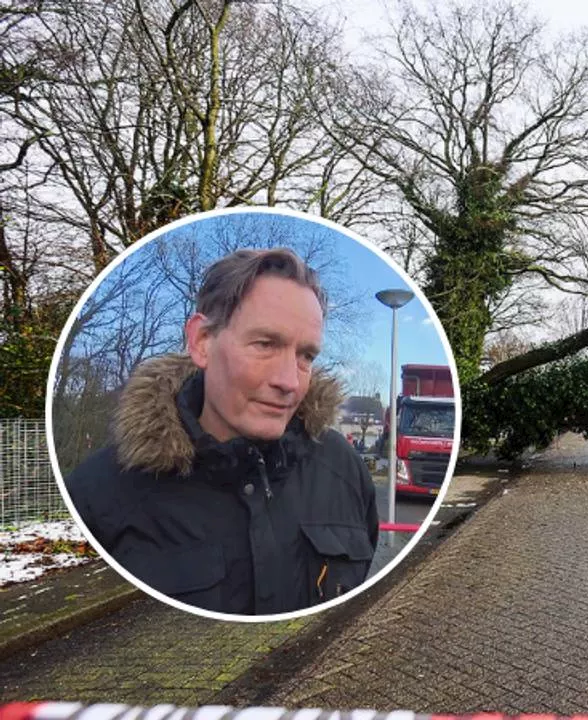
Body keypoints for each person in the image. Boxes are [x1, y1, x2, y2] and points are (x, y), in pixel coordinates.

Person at [66, 248, 380, 615]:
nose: (290, 381)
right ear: (202, 341)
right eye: (265, 344)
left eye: (306, 356)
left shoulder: (343, 470)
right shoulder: (97, 495)